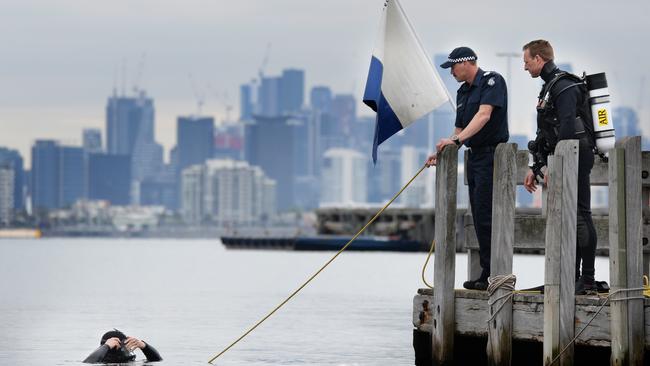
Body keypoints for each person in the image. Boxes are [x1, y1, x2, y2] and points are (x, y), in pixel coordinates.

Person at [425, 46, 509, 290]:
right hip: (474, 157)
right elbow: (460, 131)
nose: (451, 71)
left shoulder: (492, 81)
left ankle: (493, 274)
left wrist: (456, 141)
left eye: (453, 66)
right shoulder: (463, 93)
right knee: (478, 216)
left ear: (467, 62)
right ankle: (486, 273)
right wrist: (443, 151)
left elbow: (484, 116)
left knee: (487, 214)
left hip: (493, 155)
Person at [522, 39, 598, 295]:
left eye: (526, 61)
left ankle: (587, 279)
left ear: (539, 59)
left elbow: (566, 126)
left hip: (577, 156)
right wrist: (537, 166)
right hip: (564, 157)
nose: (524, 67)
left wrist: (557, 166)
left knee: (580, 215)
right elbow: (546, 131)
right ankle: (571, 276)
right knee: (569, 218)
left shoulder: (564, 85)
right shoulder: (549, 87)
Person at [83, 329, 162, 363]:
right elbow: (88, 363)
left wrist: (144, 346)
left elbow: (157, 360)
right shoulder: (100, 360)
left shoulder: (129, 359)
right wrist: (106, 346)